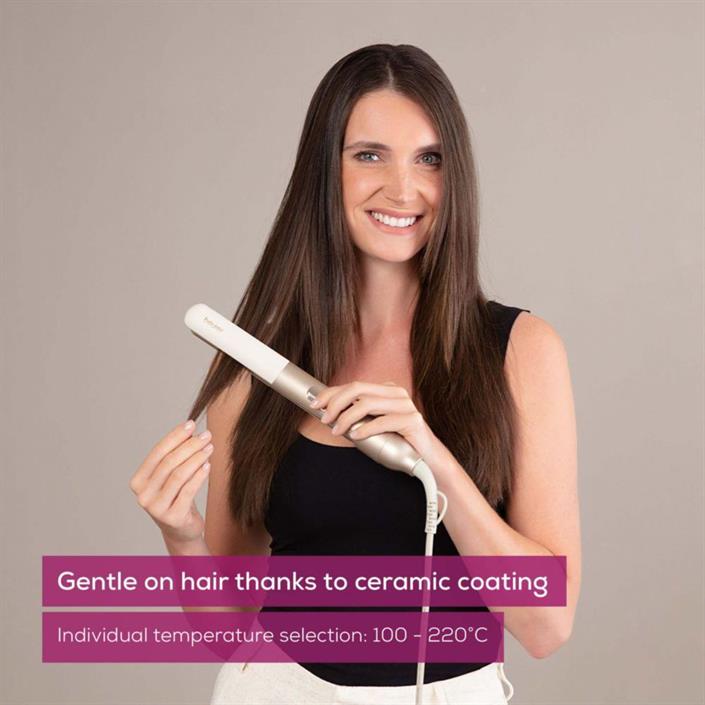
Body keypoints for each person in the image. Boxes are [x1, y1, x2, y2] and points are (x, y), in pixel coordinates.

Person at [130, 44, 581, 705]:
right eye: (369, 155)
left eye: (429, 159)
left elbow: (546, 626)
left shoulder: (520, 351)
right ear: (325, 170)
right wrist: (181, 536)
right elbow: (229, 632)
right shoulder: (252, 367)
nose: (402, 188)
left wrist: (432, 460)